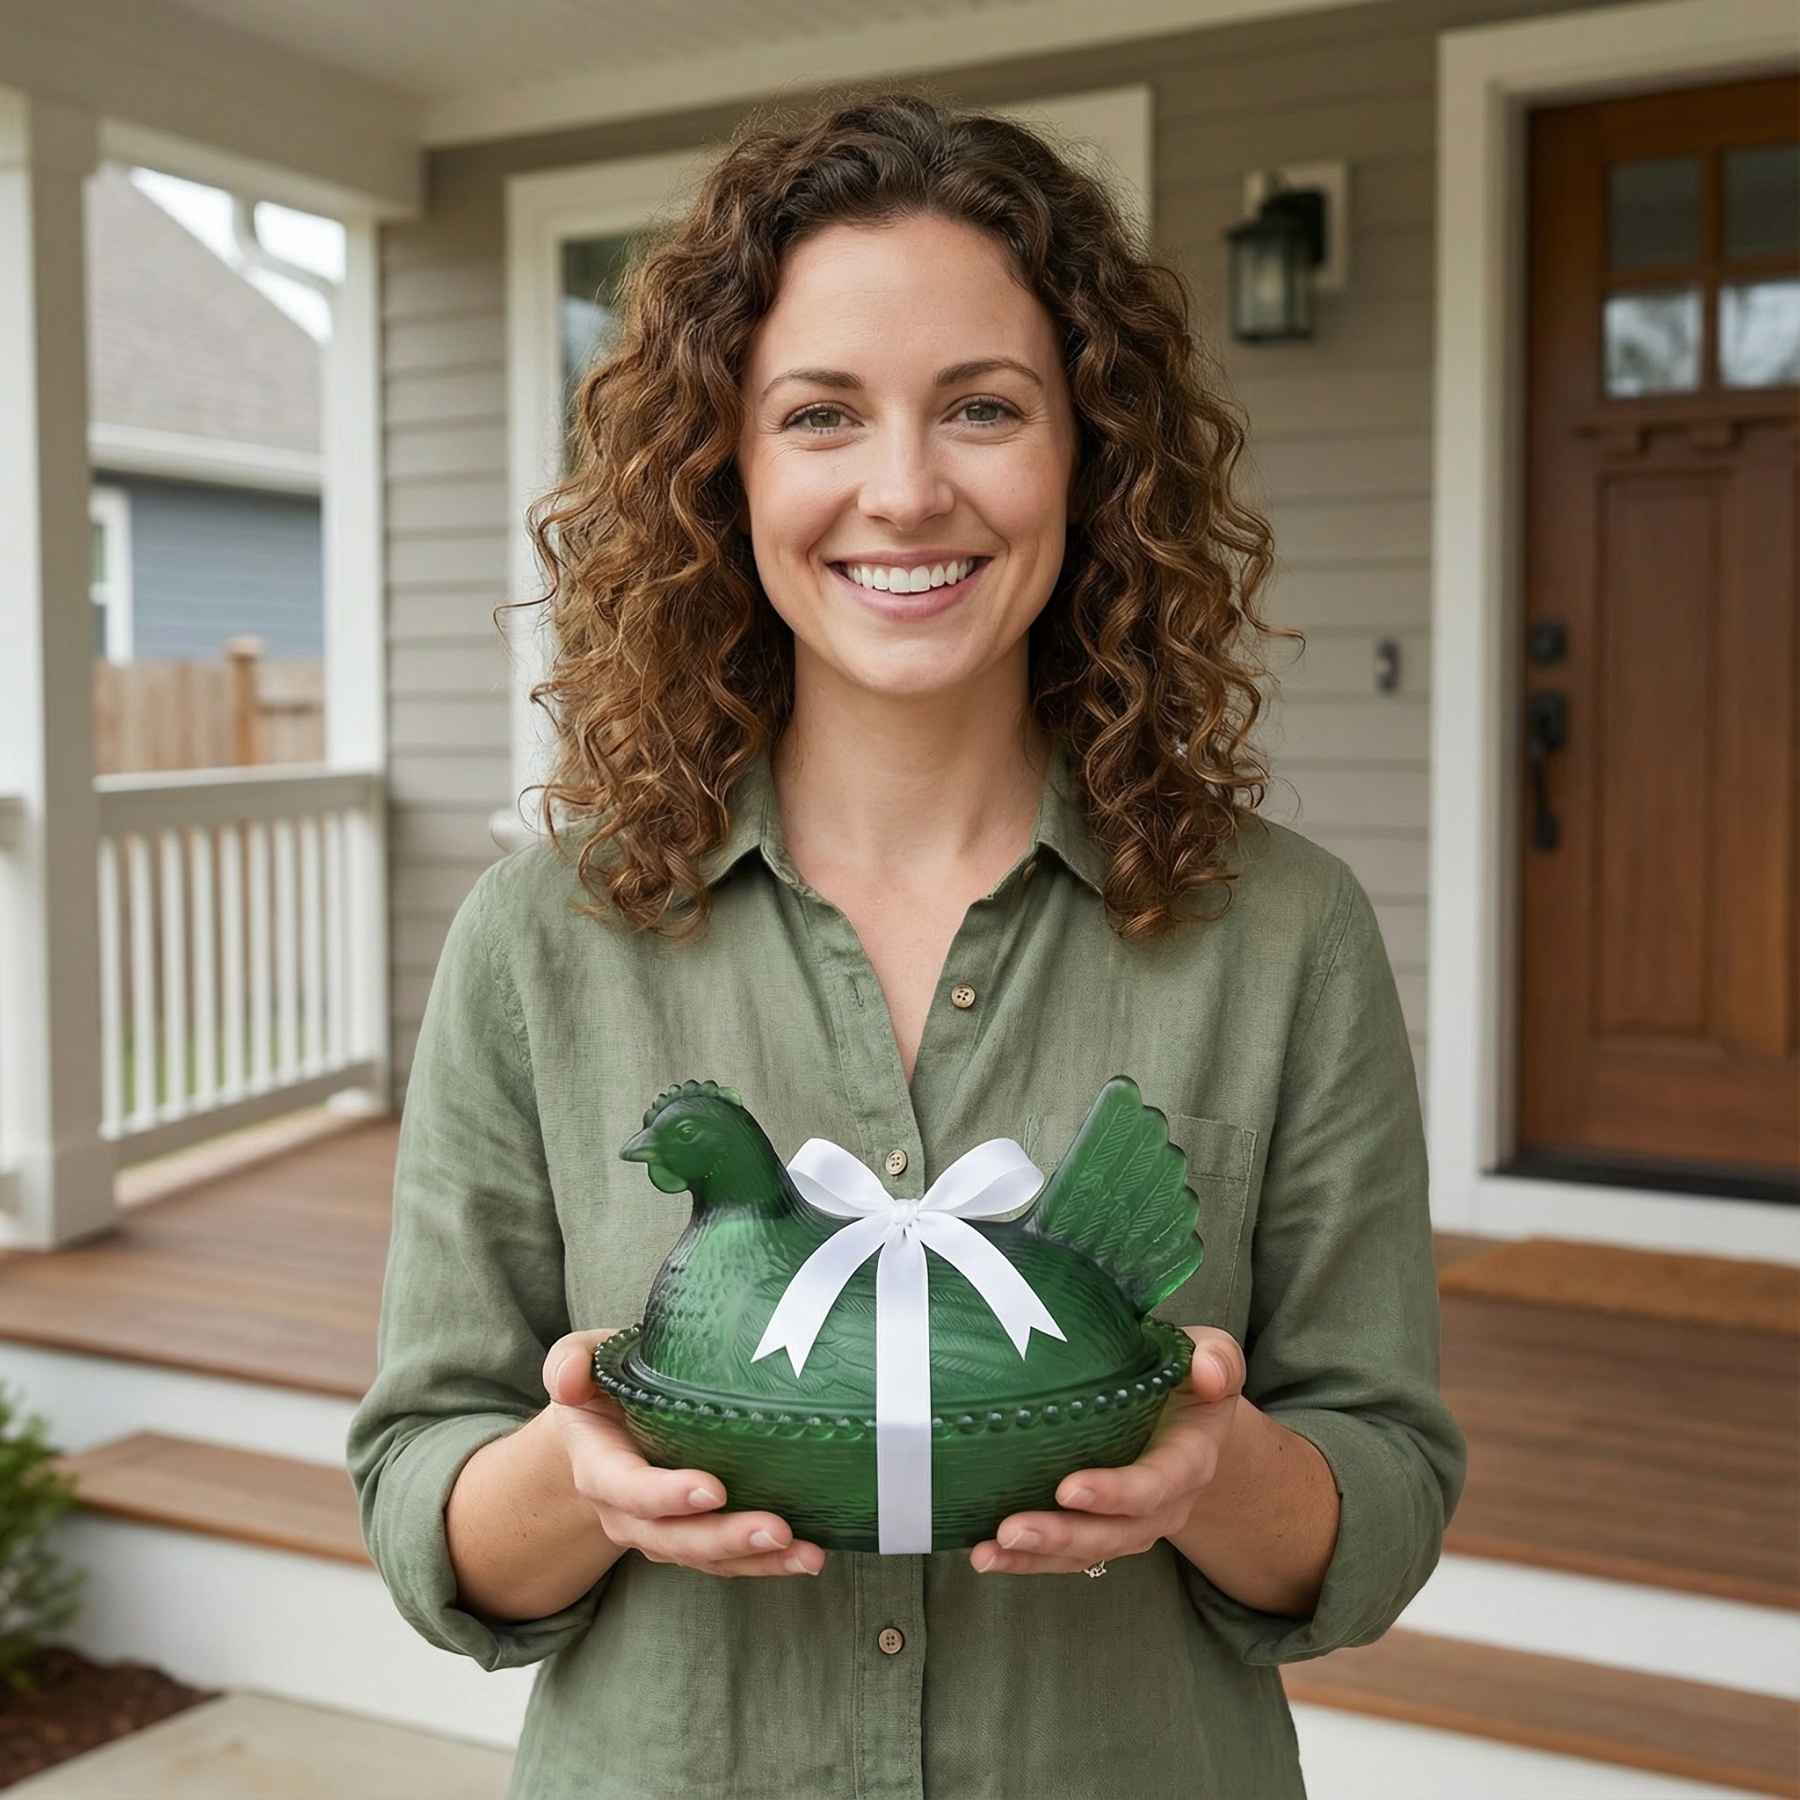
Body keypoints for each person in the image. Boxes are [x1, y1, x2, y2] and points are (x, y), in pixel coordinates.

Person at [349, 93, 1464, 1799]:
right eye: (819, 414)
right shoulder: (541, 935)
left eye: (983, 408)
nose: (904, 490)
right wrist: (581, 1485)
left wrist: (1214, 1471)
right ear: (723, 467)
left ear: (1091, 454)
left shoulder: (1286, 932)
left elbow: (1377, 1490)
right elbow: (425, 1502)